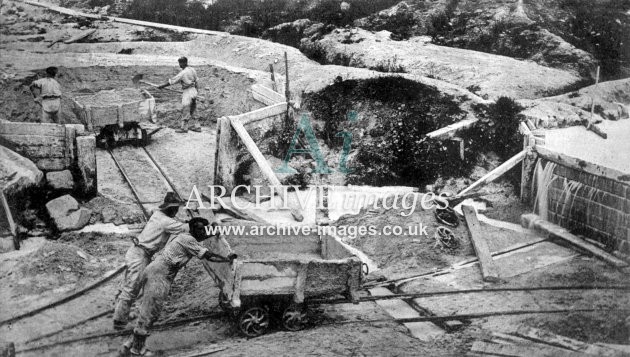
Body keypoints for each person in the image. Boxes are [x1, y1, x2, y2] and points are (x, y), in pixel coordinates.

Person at [119, 218, 236, 357]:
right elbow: (209, 256)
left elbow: (202, 235)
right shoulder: (189, 241)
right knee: (150, 312)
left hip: (155, 270)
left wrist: (213, 232)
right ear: (192, 229)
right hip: (159, 276)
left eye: (204, 229)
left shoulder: (186, 236)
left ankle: (129, 343)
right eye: (200, 229)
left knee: (148, 309)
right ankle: (136, 351)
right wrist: (227, 259)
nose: (203, 232)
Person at [112, 192, 189, 330]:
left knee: (132, 284)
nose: (177, 211)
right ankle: (119, 321)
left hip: (139, 253)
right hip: (140, 255)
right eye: (175, 208)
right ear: (170, 208)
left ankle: (121, 311)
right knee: (132, 288)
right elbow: (185, 228)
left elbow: (178, 224)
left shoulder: (158, 214)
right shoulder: (165, 221)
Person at [158, 57, 201, 133]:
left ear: (184, 63)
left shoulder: (183, 73)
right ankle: (197, 126)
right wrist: (196, 92)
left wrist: (162, 86)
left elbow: (172, 81)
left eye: (180, 63)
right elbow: (197, 82)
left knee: (186, 109)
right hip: (194, 91)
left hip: (187, 92)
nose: (179, 65)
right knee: (193, 109)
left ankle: (184, 128)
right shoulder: (192, 70)